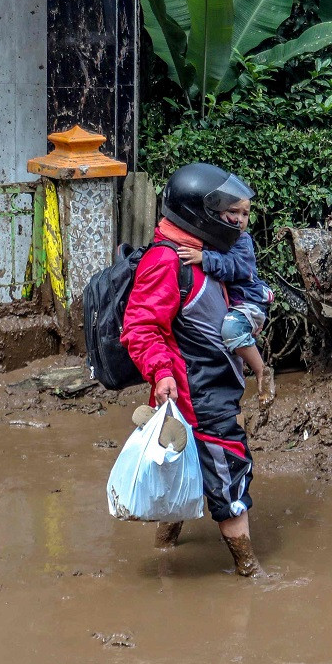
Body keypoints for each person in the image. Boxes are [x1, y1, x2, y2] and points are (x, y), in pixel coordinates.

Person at [122, 162, 265, 576]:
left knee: (180, 467)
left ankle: (165, 546)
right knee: (229, 469)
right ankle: (250, 568)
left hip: (203, 387)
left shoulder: (205, 251)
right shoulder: (166, 261)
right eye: (226, 213)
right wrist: (162, 373)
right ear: (201, 216)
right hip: (196, 393)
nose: (235, 221)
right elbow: (141, 326)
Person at [175, 191, 276, 405]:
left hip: (249, 302)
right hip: (234, 305)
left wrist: (204, 258)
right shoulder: (214, 237)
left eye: (245, 214)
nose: (239, 219)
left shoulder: (242, 240)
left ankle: (261, 372)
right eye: (233, 211)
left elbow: (235, 266)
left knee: (231, 331)